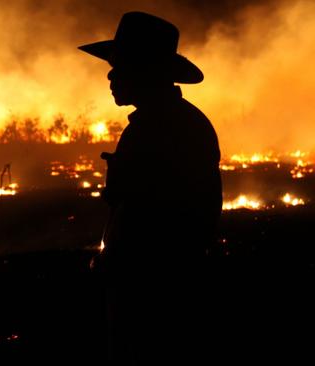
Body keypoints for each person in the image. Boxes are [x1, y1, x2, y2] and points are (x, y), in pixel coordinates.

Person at [80, 12, 223, 364]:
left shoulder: (164, 128)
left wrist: (117, 262)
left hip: (154, 291)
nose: (111, 75)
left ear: (148, 70)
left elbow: (155, 215)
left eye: (121, 65)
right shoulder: (165, 123)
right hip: (155, 283)